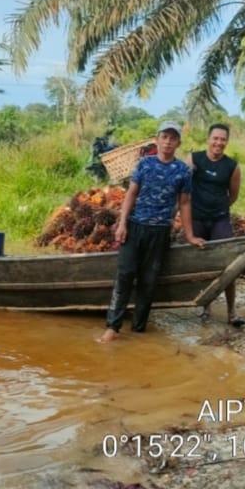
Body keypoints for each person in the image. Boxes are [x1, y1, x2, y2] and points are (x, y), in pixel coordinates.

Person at [98, 122, 204, 343]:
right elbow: (131, 194)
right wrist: (122, 224)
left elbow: (184, 204)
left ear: (178, 143)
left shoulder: (183, 171)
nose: (167, 142)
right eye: (164, 137)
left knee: (149, 281)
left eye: (172, 138)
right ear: (157, 140)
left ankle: (139, 328)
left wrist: (191, 235)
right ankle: (113, 327)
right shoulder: (145, 164)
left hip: (160, 231)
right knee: (125, 275)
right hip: (136, 227)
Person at [185, 123, 243, 326]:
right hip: (197, 218)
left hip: (219, 219)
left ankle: (231, 311)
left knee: (227, 265)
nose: (219, 142)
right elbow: (183, 186)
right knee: (202, 264)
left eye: (223, 139)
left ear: (226, 142)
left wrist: (219, 208)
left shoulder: (232, 166)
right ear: (208, 139)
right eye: (215, 138)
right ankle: (206, 307)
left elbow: (233, 195)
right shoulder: (194, 159)